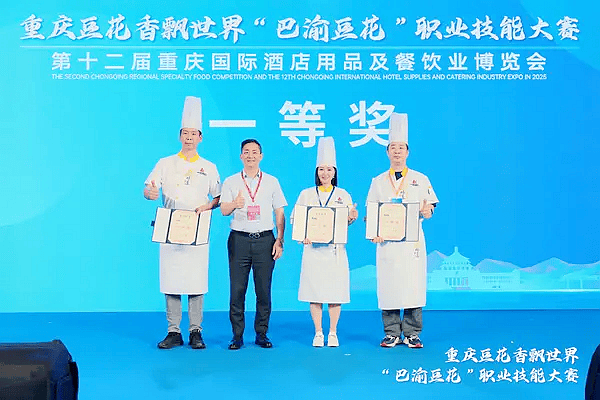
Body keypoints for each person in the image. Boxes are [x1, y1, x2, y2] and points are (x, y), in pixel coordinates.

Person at [144, 96, 221, 350]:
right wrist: (150, 193)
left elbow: (219, 197)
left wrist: (207, 206)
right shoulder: (165, 163)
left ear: (200, 138)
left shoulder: (209, 167)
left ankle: (196, 331)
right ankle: (173, 331)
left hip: (197, 229)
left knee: (196, 281)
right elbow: (149, 189)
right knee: (171, 279)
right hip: (170, 227)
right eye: (185, 133)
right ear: (180, 136)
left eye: (193, 134)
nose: (189, 138)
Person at [366, 112, 438, 349]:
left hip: (411, 243)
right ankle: (391, 332)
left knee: (412, 285)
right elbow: (371, 211)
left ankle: (412, 332)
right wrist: (373, 231)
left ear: (407, 152)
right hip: (387, 242)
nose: (397, 152)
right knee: (388, 286)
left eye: (401, 148)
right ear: (387, 152)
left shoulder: (420, 179)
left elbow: (430, 207)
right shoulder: (378, 181)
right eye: (393, 148)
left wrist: (427, 211)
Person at [220, 139, 287, 350]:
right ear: (241, 156)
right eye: (246, 152)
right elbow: (223, 210)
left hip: (265, 240)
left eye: (254, 152)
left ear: (261, 156)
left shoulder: (272, 182)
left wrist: (279, 240)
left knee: (263, 290)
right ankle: (237, 336)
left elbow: (279, 212)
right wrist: (235, 204)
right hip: (239, 239)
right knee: (237, 289)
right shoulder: (231, 181)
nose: (250, 155)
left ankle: (262, 333)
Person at [293, 137, 358, 347]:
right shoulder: (306, 194)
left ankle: (333, 332)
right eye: (321, 169)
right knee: (315, 293)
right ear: (316, 171)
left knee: (335, 293)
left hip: (334, 252)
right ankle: (318, 332)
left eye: (329, 169)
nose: (325, 173)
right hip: (313, 251)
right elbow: (296, 219)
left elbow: (347, 221)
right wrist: (303, 235)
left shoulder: (343, 194)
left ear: (335, 172)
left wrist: (352, 217)